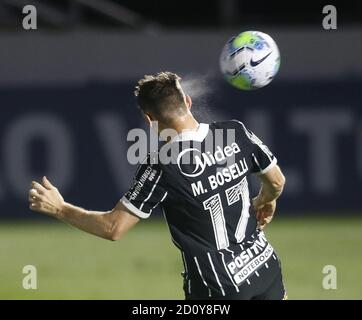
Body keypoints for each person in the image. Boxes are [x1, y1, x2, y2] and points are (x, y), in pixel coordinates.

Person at [28, 71, 286, 300]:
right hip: (264, 265)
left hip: (219, 284)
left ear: (148, 117)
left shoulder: (162, 165)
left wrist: (60, 209)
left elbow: (113, 228)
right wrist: (266, 199)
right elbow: (276, 181)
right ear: (188, 101)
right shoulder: (235, 132)